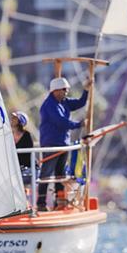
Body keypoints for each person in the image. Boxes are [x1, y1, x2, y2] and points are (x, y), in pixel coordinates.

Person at [37, 76, 90, 211]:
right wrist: (79, 124)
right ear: (55, 91)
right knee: (46, 174)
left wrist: (86, 90)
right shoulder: (49, 105)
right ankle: (41, 203)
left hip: (63, 144)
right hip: (51, 144)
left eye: (67, 90)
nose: (66, 92)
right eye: (64, 90)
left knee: (60, 174)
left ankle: (59, 202)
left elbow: (80, 103)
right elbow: (61, 122)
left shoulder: (64, 102)